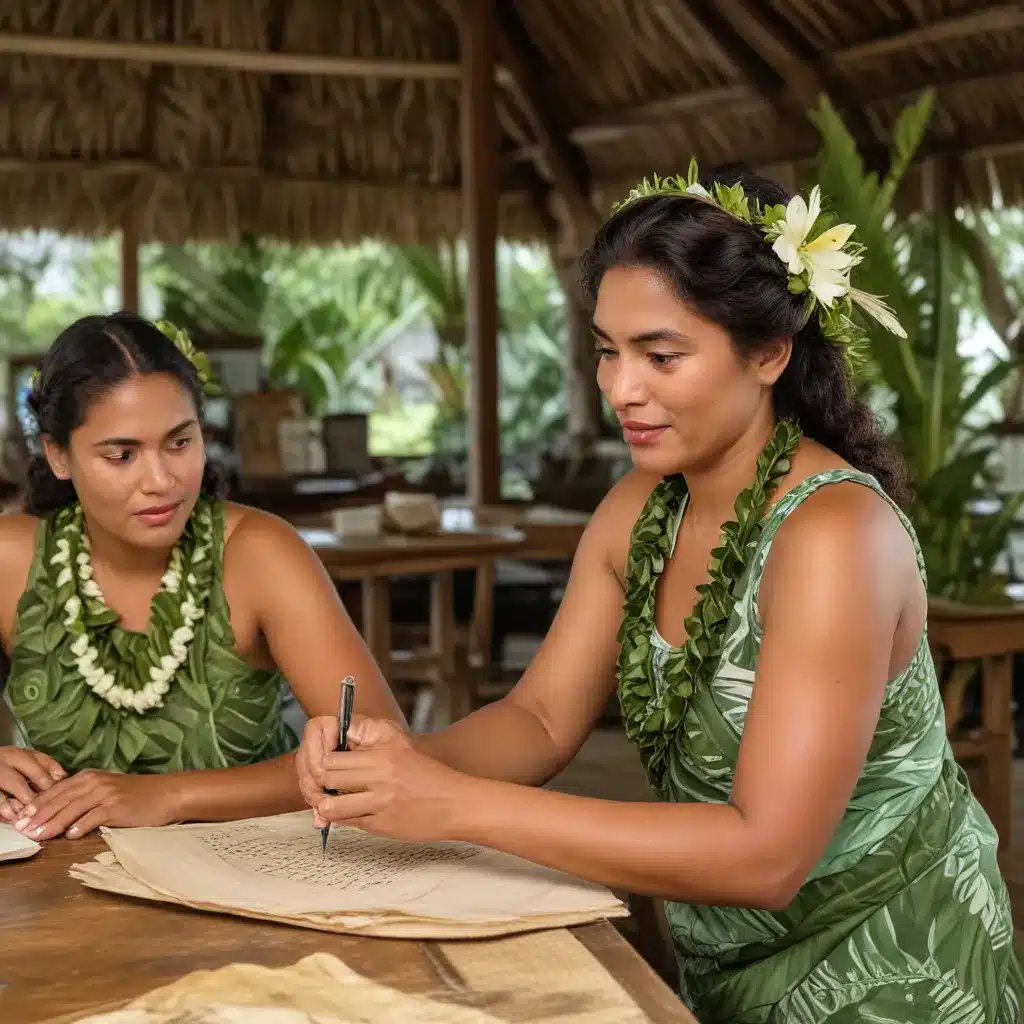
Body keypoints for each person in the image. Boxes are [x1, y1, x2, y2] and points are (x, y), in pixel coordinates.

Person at [296, 166, 1023, 1022]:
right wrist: (399, 764)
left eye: (661, 355)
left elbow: (765, 856)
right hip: (722, 967)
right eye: (608, 350)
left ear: (769, 353)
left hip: (898, 974)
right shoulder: (638, 512)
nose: (619, 388)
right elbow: (538, 722)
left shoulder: (835, 539)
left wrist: (454, 805)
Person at [0, 312, 403, 842]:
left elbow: (381, 755)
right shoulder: (12, 557)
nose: (162, 480)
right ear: (58, 455)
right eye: (122, 455)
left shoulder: (258, 554)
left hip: (259, 872)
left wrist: (171, 795)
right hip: (61, 889)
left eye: (180, 443)